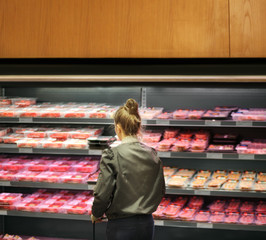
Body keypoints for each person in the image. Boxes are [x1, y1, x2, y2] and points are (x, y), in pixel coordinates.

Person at [91, 98, 165, 240]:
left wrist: (97, 213)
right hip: (147, 224)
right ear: (138, 127)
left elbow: (103, 193)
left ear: (118, 128)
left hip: (121, 226)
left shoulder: (112, 155)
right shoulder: (152, 153)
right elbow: (160, 189)